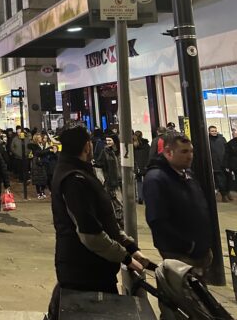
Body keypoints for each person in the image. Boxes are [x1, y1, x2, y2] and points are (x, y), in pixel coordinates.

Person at [47, 125, 147, 320]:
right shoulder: (75, 178)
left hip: (87, 267)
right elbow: (90, 233)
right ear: (86, 146)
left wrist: (129, 246)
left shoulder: (77, 172)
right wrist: (125, 257)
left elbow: (103, 219)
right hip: (85, 269)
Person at [142, 132, 212, 274]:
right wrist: (187, 246)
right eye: (184, 151)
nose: (190, 156)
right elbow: (157, 220)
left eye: (191, 151)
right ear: (168, 152)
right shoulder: (156, 179)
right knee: (184, 294)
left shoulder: (186, 174)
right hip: (180, 254)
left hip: (199, 250)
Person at [208, 126, 229, 202]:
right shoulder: (207, 140)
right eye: (212, 131)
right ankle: (224, 195)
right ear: (209, 132)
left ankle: (227, 193)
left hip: (224, 162)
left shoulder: (222, 139)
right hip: (215, 163)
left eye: (215, 131)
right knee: (220, 180)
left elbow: (227, 149)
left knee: (227, 178)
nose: (214, 132)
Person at [132, 131, 151, 204]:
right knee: (146, 182)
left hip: (138, 166)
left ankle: (140, 198)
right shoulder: (146, 145)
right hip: (145, 166)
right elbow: (149, 155)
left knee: (139, 182)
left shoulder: (134, 145)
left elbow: (133, 157)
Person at [29, 133, 49, 199]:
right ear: (36, 139)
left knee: (44, 177)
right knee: (37, 178)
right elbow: (39, 153)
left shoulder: (42, 144)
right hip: (36, 162)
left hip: (42, 162)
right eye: (40, 137)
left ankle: (42, 191)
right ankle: (38, 193)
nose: (41, 138)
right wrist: (48, 150)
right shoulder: (34, 146)